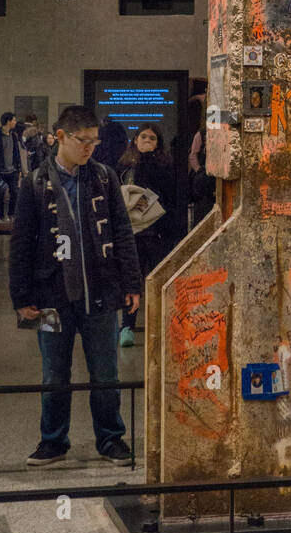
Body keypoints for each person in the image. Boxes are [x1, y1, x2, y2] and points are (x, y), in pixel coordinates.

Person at [9, 105, 141, 467]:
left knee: (105, 372)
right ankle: (53, 440)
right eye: (83, 141)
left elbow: (122, 231)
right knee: (54, 371)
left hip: (100, 292)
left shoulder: (104, 178)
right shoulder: (36, 182)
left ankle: (111, 438)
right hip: (51, 296)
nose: (90, 148)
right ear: (61, 137)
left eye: (94, 142)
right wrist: (21, 297)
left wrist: (132, 283)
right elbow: (21, 243)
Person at [116, 125, 177, 347]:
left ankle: (162, 326)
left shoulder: (164, 165)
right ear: (135, 139)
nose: (147, 141)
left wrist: (149, 158)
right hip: (132, 232)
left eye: (152, 138)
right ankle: (127, 325)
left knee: (158, 280)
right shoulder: (124, 165)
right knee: (131, 280)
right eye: (143, 137)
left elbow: (162, 190)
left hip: (156, 231)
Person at [0, 112, 20, 221]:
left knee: (15, 193)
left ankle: (11, 214)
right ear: (8, 121)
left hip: (12, 170)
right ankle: (0, 215)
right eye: (14, 120)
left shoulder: (14, 136)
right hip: (0, 171)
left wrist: (19, 168)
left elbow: (16, 152)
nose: (15, 122)